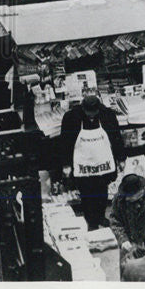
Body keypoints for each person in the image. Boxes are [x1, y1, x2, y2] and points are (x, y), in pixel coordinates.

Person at [58, 95, 125, 230]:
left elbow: (116, 137)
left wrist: (121, 158)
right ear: (83, 108)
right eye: (88, 113)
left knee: (102, 190)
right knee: (87, 193)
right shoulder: (71, 118)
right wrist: (66, 164)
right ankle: (91, 222)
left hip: (102, 162)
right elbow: (64, 143)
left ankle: (100, 216)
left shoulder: (108, 115)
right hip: (83, 163)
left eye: (94, 113)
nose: (91, 115)